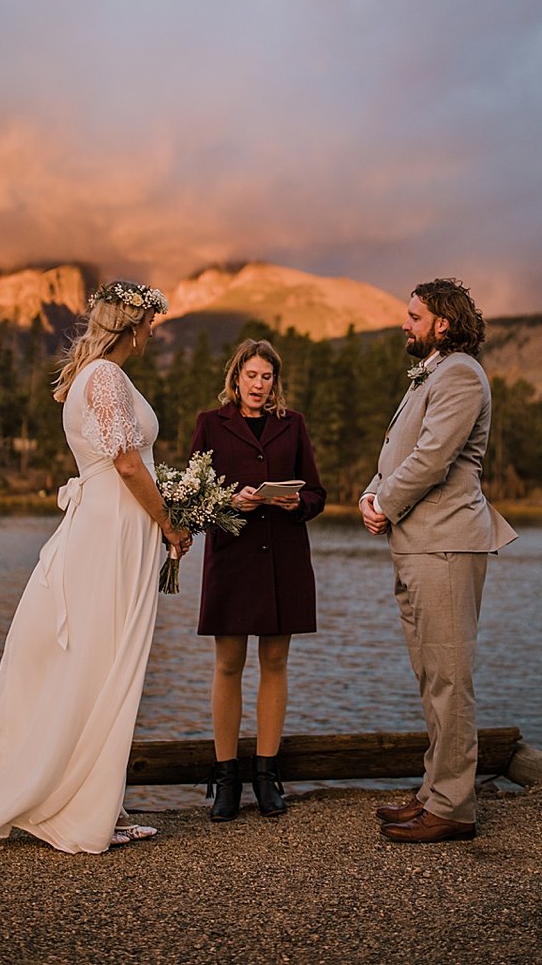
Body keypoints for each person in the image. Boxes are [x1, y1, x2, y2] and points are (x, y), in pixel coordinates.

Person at [0, 279, 192, 854]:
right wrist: (169, 521)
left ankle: (90, 799)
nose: (151, 334)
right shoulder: (108, 377)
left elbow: (124, 460)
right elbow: (125, 460)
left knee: (96, 659)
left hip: (105, 527)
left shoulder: (88, 375)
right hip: (111, 535)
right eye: (148, 323)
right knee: (104, 662)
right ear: (130, 325)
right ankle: (84, 810)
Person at [360, 278, 516, 844]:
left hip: (447, 544)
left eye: (413, 315)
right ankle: (434, 792)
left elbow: (432, 458)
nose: (404, 323)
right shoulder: (432, 372)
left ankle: (453, 807)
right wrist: (370, 494)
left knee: (450, 678)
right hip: (418, 543)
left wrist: (386, 501)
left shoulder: (460, 375)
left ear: (441, 323)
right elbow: (397, 453)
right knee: (431, 677)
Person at [191, 339, 326, 821]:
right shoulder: (211, 423)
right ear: (236, 378)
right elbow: (194, 500)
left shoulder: (294, 424)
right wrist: (232, 502)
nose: (258, 385)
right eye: (250, 375)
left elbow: (316, 493)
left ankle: (267, 777)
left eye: (266, 377)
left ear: (275, 382)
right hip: (231, 558)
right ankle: (226, 778)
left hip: (282, 559)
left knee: (275, 663)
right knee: (228, 665)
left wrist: (296, 502)